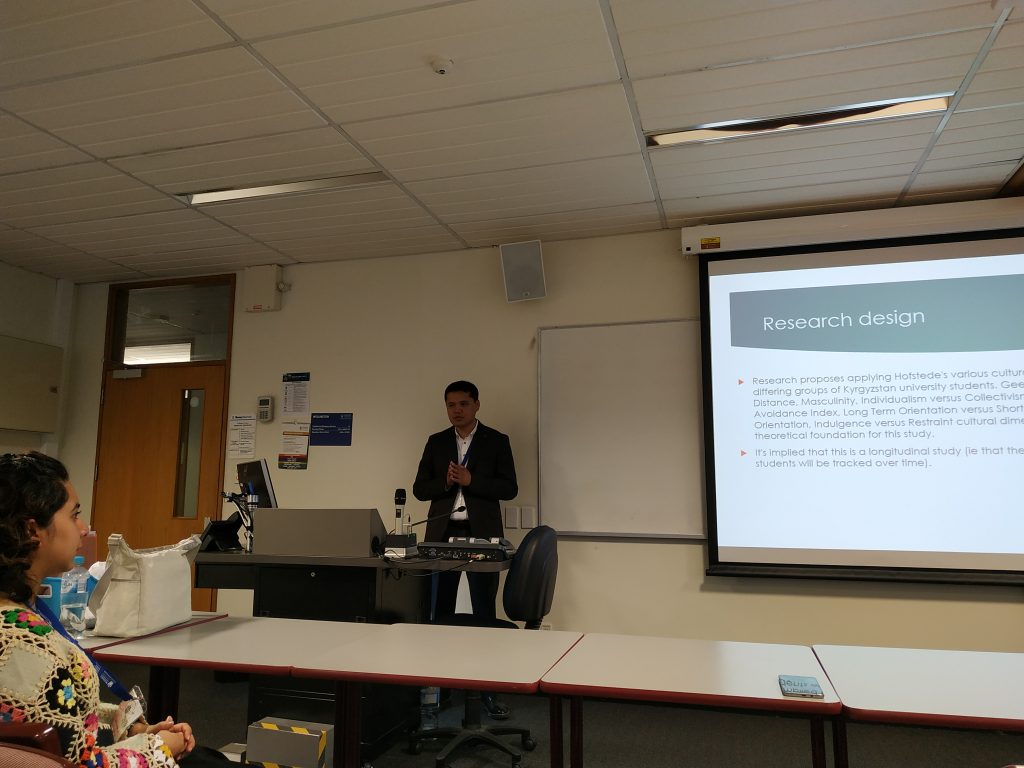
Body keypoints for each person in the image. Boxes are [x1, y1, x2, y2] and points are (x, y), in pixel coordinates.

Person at [0, 451, 227, 767]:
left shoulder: (21, 612)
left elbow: (58, 713)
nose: (83, 528)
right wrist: (160, 747)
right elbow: (79, 762)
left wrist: (133, 730)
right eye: (73, 515)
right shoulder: (22, 641)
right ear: (32, 531)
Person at [413, 381, 518, 719]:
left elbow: (510, 488)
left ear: (476, 405)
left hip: (482, 537)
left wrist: (473, 481)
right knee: (439, 613)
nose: (456, 410)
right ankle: (438, 691)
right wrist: (445, 483)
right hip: (443, 536)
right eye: (451, 405)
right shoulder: (436, 441)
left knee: (484, 612)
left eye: (463, 404)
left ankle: (488, 692)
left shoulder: (496, 441)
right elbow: (419, 489)